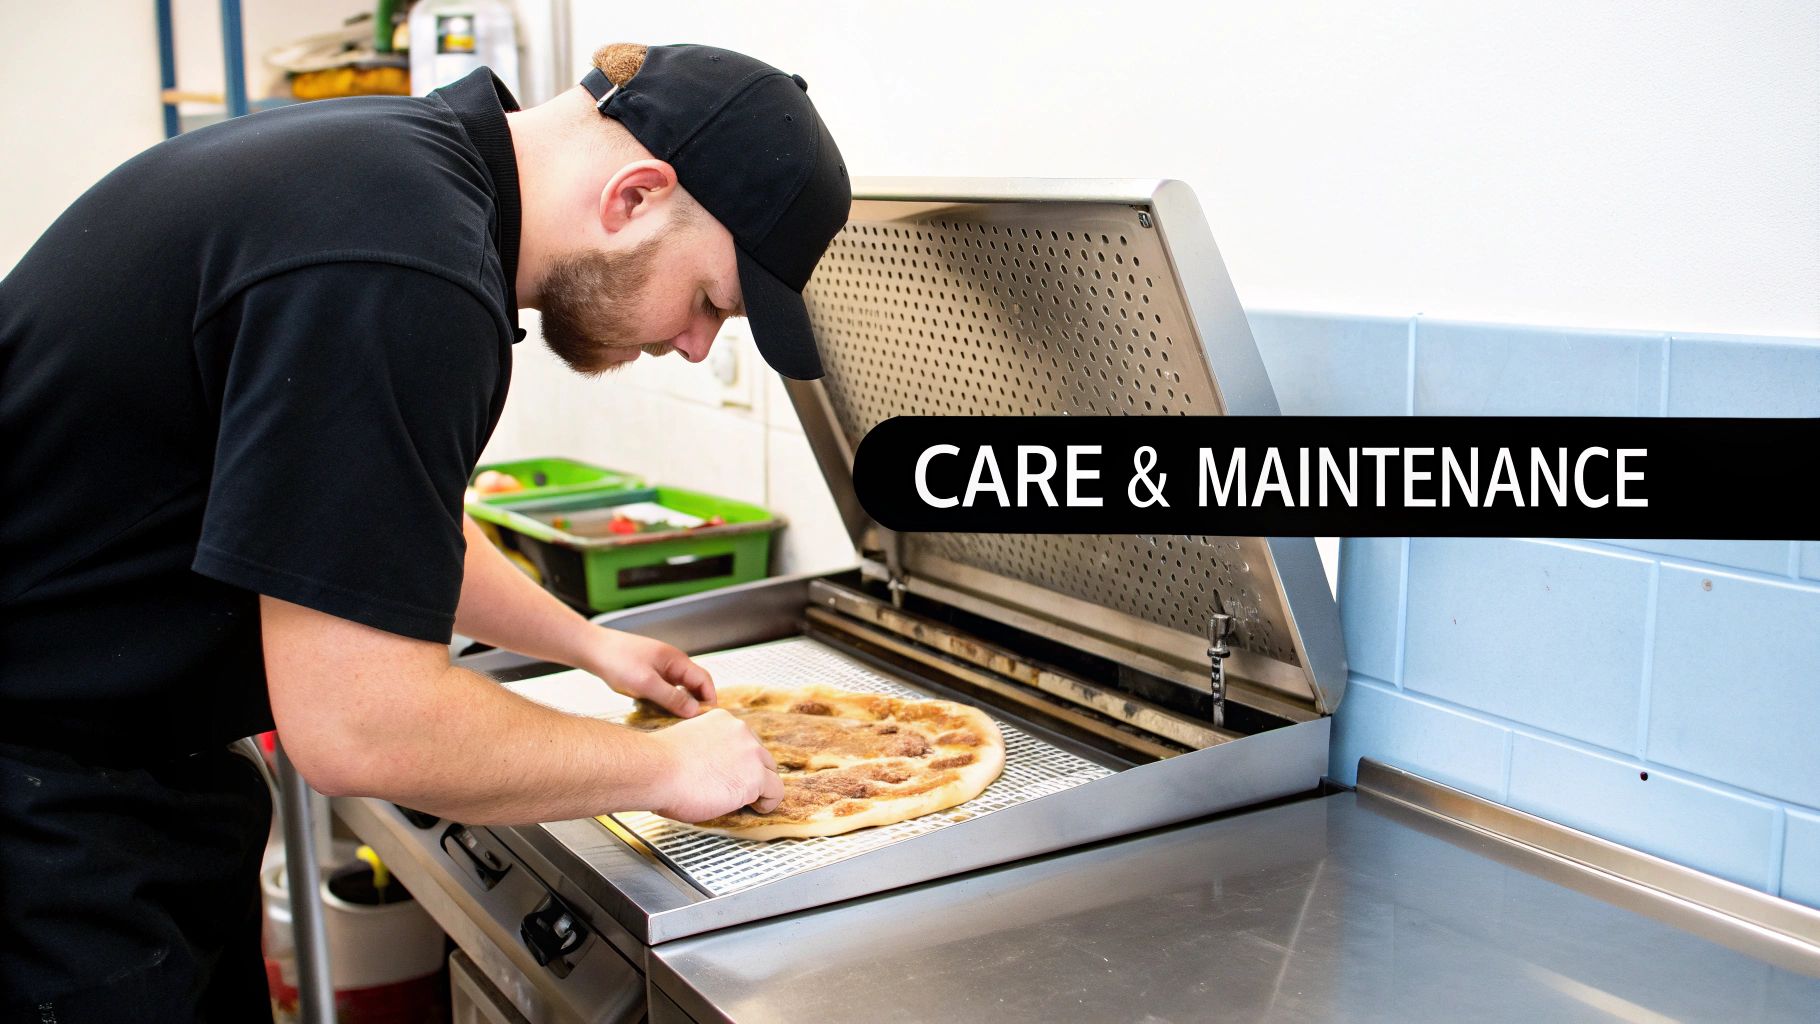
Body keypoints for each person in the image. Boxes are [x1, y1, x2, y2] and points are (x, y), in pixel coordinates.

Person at [0, 40, 850, 1021]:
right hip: (42, 823)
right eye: (709, 300)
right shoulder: (405, 266)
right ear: (636, 196)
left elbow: (373, 526)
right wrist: (666, 767)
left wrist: (589, 646)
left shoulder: (401, 177)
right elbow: (362, 730)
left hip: (113, 787)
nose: (695, 345)